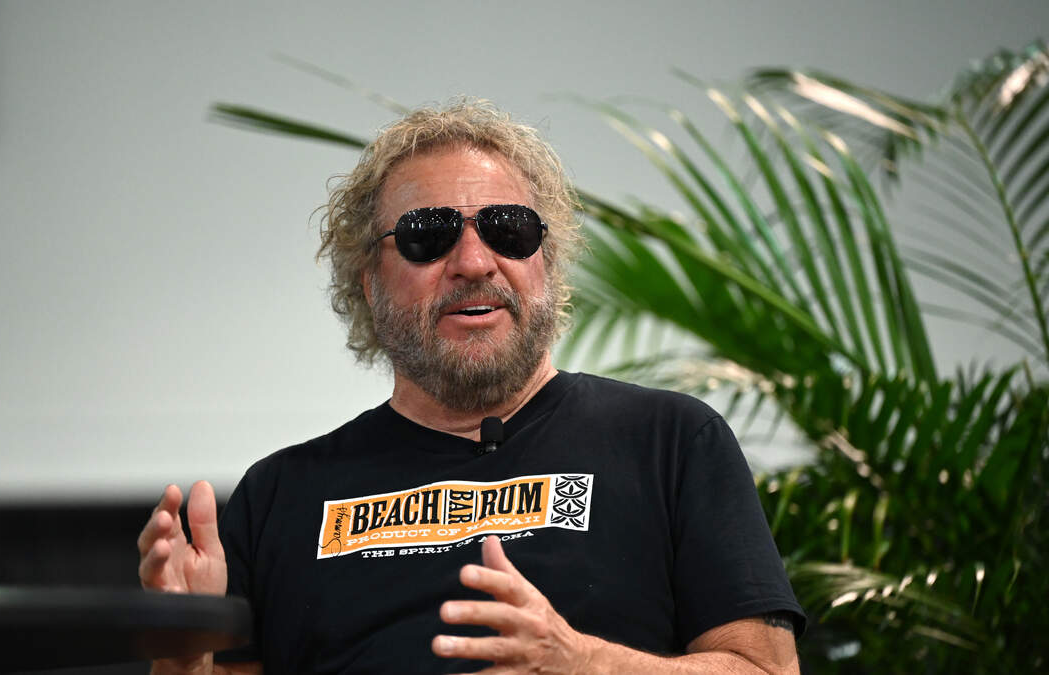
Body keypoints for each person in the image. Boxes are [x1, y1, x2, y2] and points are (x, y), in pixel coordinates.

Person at [137, 100, 805, 674]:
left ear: (546, 261)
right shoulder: (278, 496)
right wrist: (183, 658)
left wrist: (581, 661)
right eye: (428, 237)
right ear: (369, 282)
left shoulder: (671, 442)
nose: (475, 261)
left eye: (508, 230)